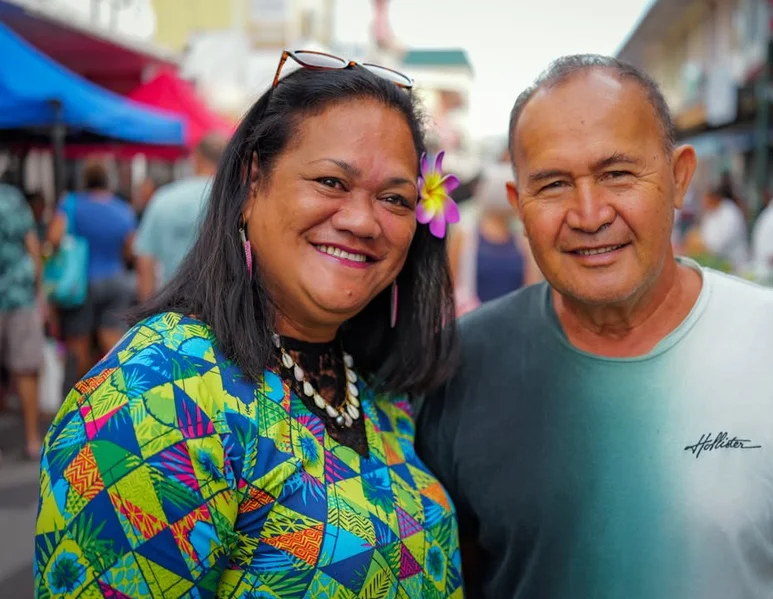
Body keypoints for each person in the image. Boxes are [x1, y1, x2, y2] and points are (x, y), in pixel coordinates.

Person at [416, 54, 773, 599]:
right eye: (553, 184)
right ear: (519, 206)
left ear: (679, 178)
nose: (590, 213)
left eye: (617, 174)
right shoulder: (462, 364)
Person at [35, 50, 462, 599]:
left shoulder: (374, 388)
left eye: (395, 198)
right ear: (250, 183)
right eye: (332, 182)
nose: (362, 220)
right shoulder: (159, 400)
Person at [46, 160, 137, 378]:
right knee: (113, 342)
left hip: (80, 284)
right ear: (108, 181)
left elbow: (53, 238)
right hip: (116, 280)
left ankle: (84, 395)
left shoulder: (71, 204)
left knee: (79, 345)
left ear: (84, 180)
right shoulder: (123, 209)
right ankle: (119, 389)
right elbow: (130, 250)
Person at [135, 133, 229, 301]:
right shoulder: (234, 200)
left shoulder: (163, 198)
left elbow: (145, 260)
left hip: (170, 305)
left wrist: (146, 311)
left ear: (196, 158)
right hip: (222, 304)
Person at [450, 159, 541, 315]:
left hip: (513, 322)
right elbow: (450, 283)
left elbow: (531, 286)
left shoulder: (522, 239)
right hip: (470, 321)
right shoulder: (465, 234)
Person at [0, 183, 44, 460]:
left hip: (17, 293)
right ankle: (31, 439)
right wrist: (40, 293)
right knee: (27, 368)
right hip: (19, 293)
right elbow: (32, 246)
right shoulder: (11, 196)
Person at [683, 183, 749, 271]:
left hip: (735, 264)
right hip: (717, 263)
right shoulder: (710, 214)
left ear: (714, 198)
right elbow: (704, 234)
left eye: (707, 200)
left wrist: (701, 244)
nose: (704, 203)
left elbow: (720, 243)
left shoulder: (730, 213)